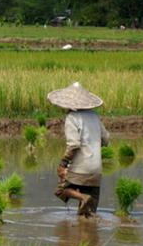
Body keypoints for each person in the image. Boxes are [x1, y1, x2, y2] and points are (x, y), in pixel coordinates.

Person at [47, 82, 110, 218]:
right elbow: (106, 139)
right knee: (89, 214)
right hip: (96, 168)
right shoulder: (94, 116)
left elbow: (73, 145)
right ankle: (89, 233)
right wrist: (93, 146)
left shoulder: (72, 118)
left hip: (79, 167)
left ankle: (82, 198)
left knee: (62, 190)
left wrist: (62, 164)